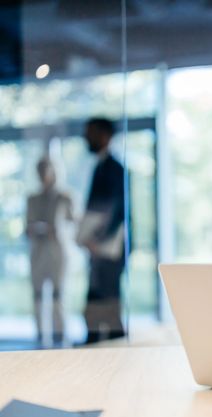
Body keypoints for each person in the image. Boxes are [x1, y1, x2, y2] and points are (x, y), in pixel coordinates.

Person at [78, 117, 126, 344]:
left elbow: (116, 211)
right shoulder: (102, 166)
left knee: (106, 303)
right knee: (98, 301)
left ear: (104, 135)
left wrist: (96, 239)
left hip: (108, 248)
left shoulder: (113, 168)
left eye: (91, 132)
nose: (86, 137)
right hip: (99, 248)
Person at [26, 157, 74, 346]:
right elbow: (27, 226)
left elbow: (73, 224)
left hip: (58, 251)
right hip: (38, 252)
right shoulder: (32, 199)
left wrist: (59, 230)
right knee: (38, 295)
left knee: (58, 295)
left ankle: (60, 335)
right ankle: (40, 336)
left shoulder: (65, 197)